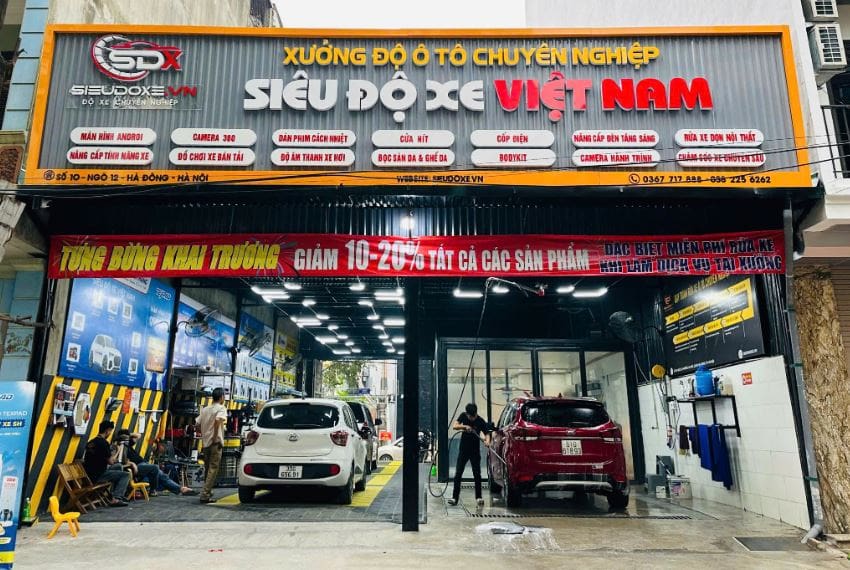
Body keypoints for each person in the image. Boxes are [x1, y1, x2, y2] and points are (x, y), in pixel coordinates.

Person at [115, 429, 195, 496]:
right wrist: (131, 463)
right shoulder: (120, 447)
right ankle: (153, 490)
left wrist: (129, 435)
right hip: (137, 466)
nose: (128, 440)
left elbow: (138, 436)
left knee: (162, 476)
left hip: (143, 464)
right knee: (155, 468)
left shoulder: (128, 444)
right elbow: (121, 461)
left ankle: (180, 489)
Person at [447, 403, 490, 507]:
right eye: (470, 416)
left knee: (477, 474)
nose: (471, 418)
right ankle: (454, 498)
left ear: (475, 414)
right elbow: (455, 426)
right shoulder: (463, 416)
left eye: (473, 416)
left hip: (475, 451)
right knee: (458, 473)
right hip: (463, 450)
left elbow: (487, 434)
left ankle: (479, 497)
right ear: (467, 414)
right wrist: (465, 426)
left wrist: (487, 441)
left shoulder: (480, 421)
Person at [82, 420, 128, 507]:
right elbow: (111, 462)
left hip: (88, 473)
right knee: (125, 475)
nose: (110, 433)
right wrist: (118, 451)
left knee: (118, 466)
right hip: (98, 475)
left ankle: (114, 494)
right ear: (107, 431)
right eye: (110, 431)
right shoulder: (104, 443)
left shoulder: (91, 442)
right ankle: (116, 498)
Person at [197, 387, 228, 504]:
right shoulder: (221, 408)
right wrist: (215, 437)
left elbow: (197, 424)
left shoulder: (205, 409)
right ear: (221, 397)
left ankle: (207, 492)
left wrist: (205, 434)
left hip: (205, 443)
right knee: (213, 469)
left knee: (208, 468)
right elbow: (218, 421)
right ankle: (205, 494)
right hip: (215, 443)